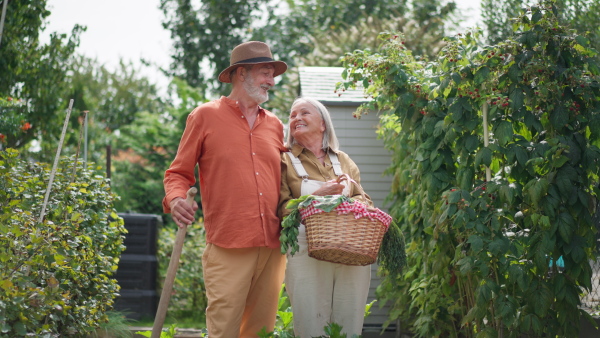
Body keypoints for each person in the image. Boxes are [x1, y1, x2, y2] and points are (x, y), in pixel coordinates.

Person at [162, 41, 288, 338]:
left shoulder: (276, 125)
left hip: (273, 246)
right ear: (241, 73)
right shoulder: (205, 116)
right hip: (228, 244)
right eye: (265, 72)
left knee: (261, 333)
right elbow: (178, 172)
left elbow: (287, 180)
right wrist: (176, 198)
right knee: (224, 331)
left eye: (272, 74)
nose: (271, 81)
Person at [278, 97, 373, 337]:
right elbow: (280, 209)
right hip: (304, 245)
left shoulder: (343, 160)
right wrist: (317, 196)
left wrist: (350, 202)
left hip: (350, 245)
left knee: (348, 320)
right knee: (310, 321)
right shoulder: (284, 161)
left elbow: (366, 201)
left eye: (304, 113)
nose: (296, 118)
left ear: (323, 124)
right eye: (292, 115)